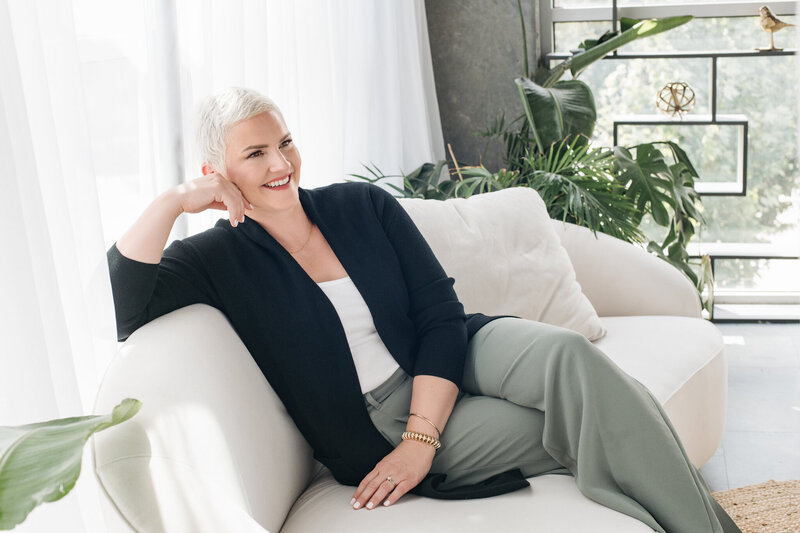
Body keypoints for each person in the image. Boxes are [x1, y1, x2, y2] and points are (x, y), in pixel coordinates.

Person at [107, 87, 741, 533]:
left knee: (574, 361)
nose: (280, 164)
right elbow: (129, 301)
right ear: (217, 171)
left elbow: (440, 312)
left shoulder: (359, 206)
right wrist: (175, 202)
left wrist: (424, 436)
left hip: (455, 350)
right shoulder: (217, 259)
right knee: (596, 416)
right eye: (254, 154)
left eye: (286, 142)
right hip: (375, 423)